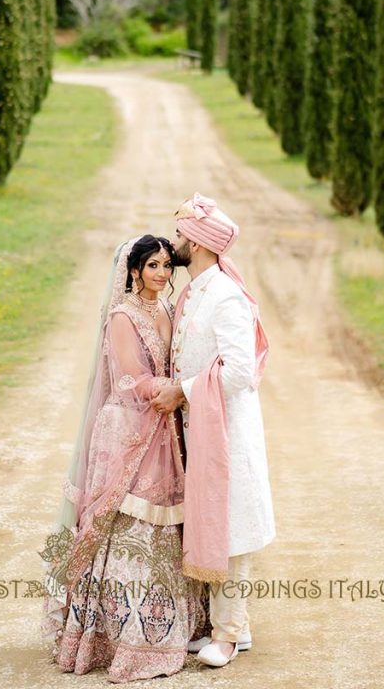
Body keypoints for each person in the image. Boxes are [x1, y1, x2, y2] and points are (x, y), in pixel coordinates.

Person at [39, 234, 210, 683]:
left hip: (164, 428)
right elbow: (129, 378)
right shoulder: (122, 316)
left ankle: (168, 628)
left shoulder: (169, 311)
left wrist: (185, 391)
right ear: (133, 270)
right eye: (152, 265)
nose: (161, 274)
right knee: (122, 522)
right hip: (129, 429)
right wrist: (168, 390)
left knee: (166, 525)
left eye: (166, 266)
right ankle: (111, 637)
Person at [151, 193, 276, 668]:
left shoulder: (224, 295)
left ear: (199, 243)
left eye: (182, 234)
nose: (176, 242)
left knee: (233, 527)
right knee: (214, 522)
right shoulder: (198, 288)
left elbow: (241, 371)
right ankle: (232, 628)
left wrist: (183, 390)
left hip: (228, 434)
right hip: (204, 430)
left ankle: (226, 634)